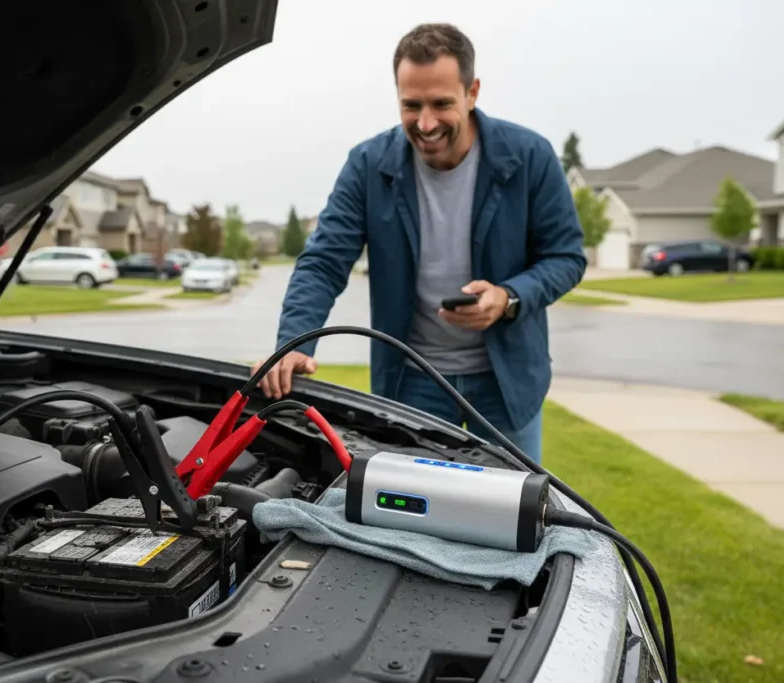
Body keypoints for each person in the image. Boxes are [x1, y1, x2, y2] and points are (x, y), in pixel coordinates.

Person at [251, 23, 586, 464]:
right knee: (416, 517)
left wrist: (508, 297)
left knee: (513, 518)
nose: (425, 123)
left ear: (472, 92)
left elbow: (566, 257)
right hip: (411, 380)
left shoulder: (530, 156)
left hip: (507, 381)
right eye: (411, 105)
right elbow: (324, 262)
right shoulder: (368, 165)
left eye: (441, 104)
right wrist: (294, 342)